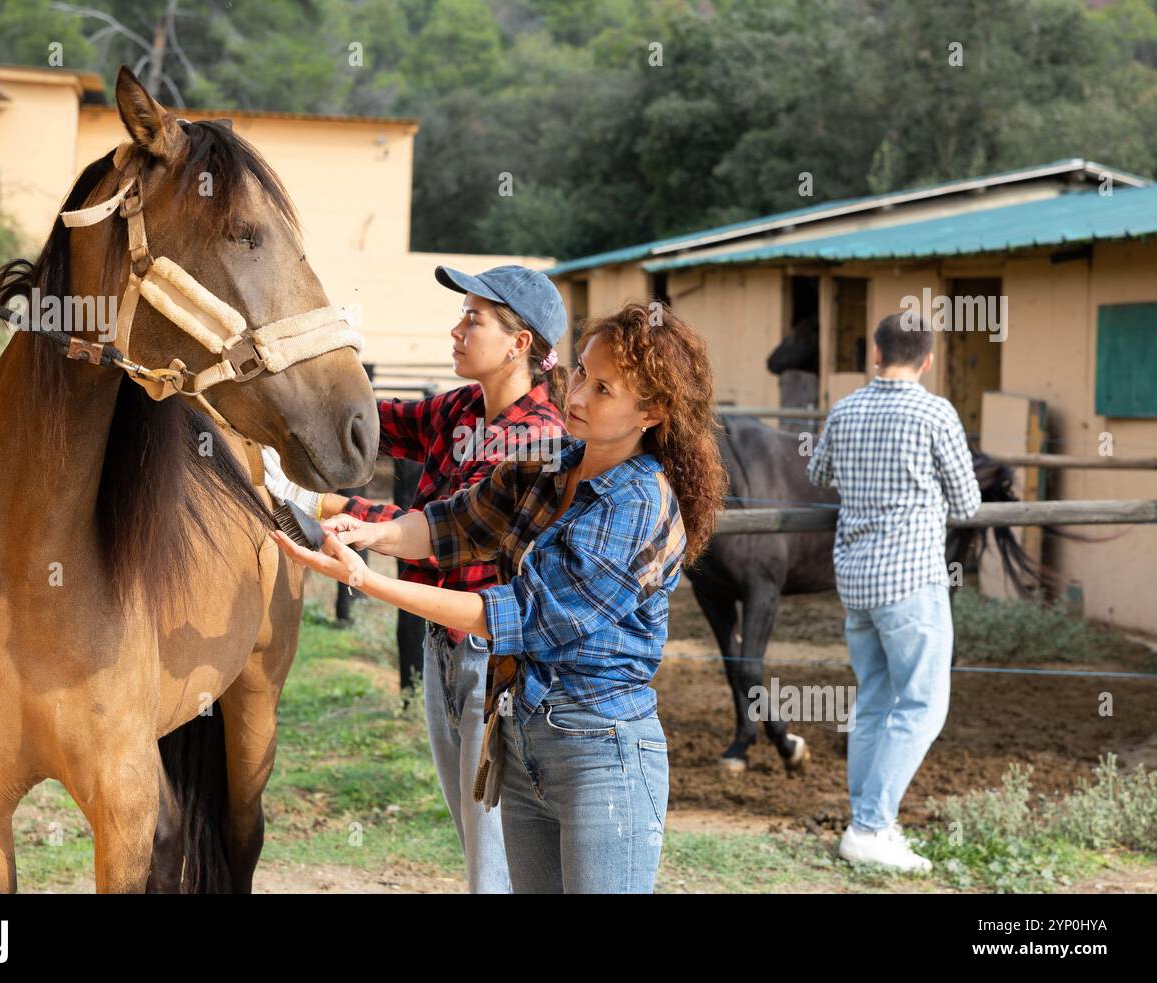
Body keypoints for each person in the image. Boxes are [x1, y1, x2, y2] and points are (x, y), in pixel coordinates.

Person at [270, 302, 727, 893]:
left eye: (604, 389)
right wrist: (370, 533)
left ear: (654, 411)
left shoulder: (637, 504)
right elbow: (455, 525)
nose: (578, 396)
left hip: (600, 751)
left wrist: (366, 579)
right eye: (583, 374)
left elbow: (517, 616)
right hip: (518, 732)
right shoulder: (551, 463)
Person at [261, 264, 566, 894]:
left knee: (493, 848)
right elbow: (375, 424)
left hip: (492, 654)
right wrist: (310, 377)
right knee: (476, 834)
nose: (455, 331)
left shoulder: (534, 441)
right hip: (447, 643)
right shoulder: (461, 410)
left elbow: (443, 532)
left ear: (520, 344)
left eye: (473, 319)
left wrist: (322, 504)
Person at [806, 311, 981, 872]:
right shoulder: (935, 411)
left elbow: (817, 474)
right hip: (911, 581)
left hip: (856, 581)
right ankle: (871, 826)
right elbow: (968, 502)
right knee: (923, 706)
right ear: (928, 360)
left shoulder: (846, 408)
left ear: (875, 354)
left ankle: (870, 822)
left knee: (876, 701)